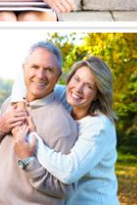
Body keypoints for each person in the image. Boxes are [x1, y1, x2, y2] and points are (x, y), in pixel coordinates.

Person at [0, 41, 78, 204]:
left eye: (49, 70)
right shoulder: (12, 103)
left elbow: (65, 189)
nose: (40, 75)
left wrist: (28, 161)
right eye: (35, 67)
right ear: (24, 69)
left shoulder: (62, 124)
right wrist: (0, 126)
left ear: (58, 75)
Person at [12, 56, 119, 204]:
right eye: (76, 79)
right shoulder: (65, 96)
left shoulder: (99, 126)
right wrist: (20, 104)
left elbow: (68, 171)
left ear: (98, 94)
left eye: (89, 86)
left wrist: (33, 140)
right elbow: (23, 80)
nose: (78, 89)